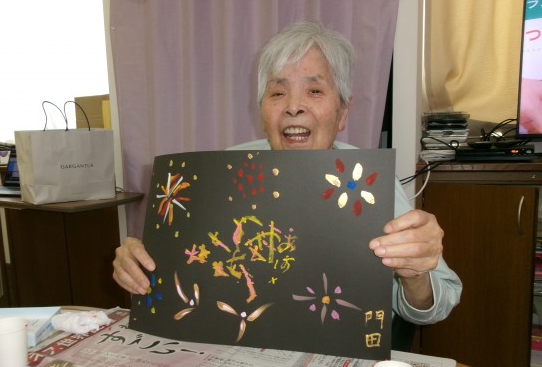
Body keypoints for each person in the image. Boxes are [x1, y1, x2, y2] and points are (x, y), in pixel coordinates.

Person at [113, 21, 462, 326]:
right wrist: (140, 265)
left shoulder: (366, 183)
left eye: (315, 91)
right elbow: (187, 267)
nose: (294, 106)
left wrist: (416, 274)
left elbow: (436, 306)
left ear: (343, 112)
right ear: (262, 111)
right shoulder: (224, 171)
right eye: (278, 92)